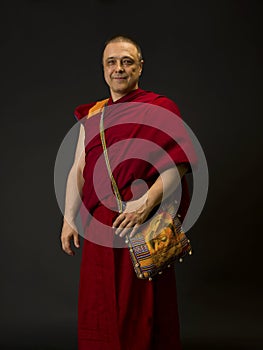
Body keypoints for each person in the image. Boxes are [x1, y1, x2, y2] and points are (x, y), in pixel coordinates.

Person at [60, 35, 195, 350]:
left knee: (141, 308)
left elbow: (179, 165)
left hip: (141, 222)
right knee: (99, 304)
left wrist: (145, 205)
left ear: (140, 67)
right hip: (98, 226)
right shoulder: (92, 115)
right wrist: (68, 219)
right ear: (103, 69)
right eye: (112, 62)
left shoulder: (160, 107)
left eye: (127, 61)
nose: (118, 68)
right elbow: (78, 169)